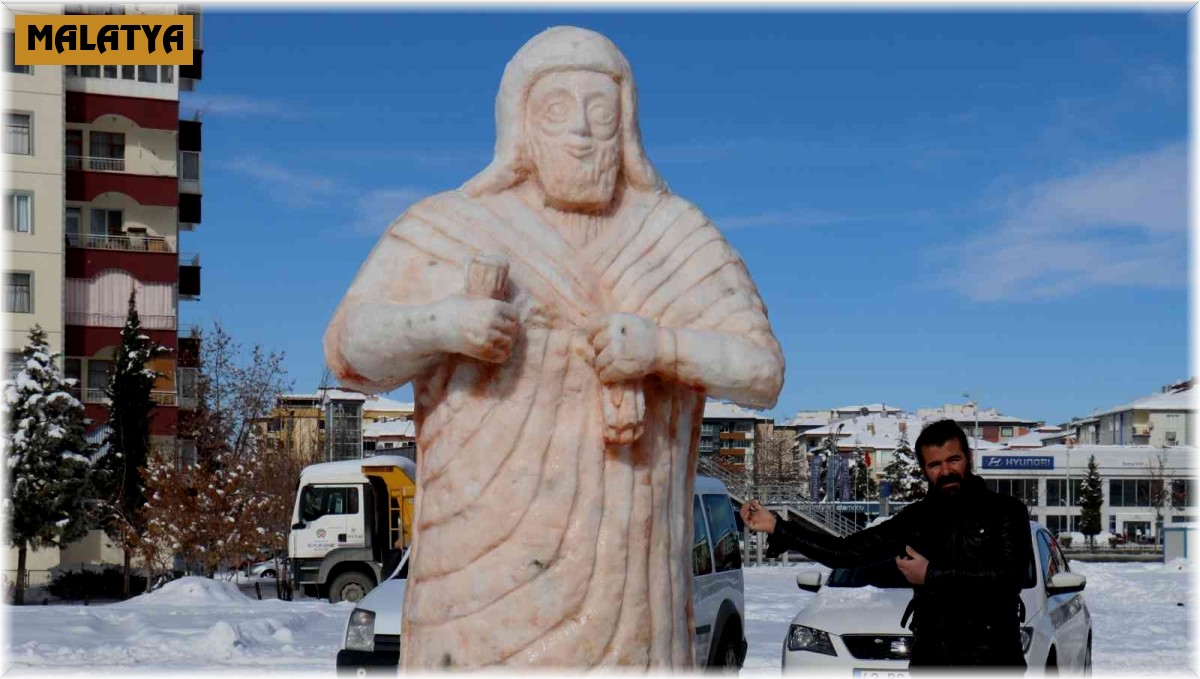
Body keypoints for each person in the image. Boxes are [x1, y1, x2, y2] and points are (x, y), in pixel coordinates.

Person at [324, 27, 784, 669]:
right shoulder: (450, 226)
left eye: (600, 112)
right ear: (520, 124)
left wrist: (663, 346)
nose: (582, 132)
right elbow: (350, 350)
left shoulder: (674, 235)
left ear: (626, 124)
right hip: (476, 582)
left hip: (633, 582)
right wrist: (441, 323)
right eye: (557, 111)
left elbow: (762, 371)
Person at [740, 419, 1032, 671]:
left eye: (953, 460)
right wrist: (778, 526)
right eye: (934, 464)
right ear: (924, 469)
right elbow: (845, 552)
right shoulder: (917, 518)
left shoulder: (1006, 512)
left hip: (991, 660)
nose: (945, 471)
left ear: (968, 457)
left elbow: (1009, 578)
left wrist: (931, 575)